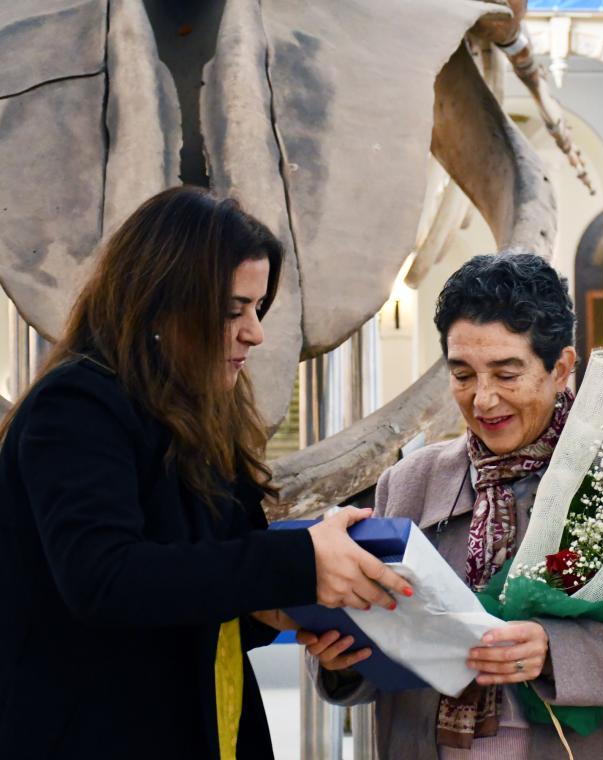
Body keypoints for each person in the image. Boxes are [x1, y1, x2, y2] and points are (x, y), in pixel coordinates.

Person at [0, 187, 412, 759]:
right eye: (232, 310)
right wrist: (297, 562)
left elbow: (198, 597)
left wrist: (285, 610)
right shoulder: (75, 406)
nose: (255, 333)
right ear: (160, 301)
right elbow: (105, 579)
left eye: (257, 308)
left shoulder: (194, 415)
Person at [304, 253, 603, 759]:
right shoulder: (408, 484)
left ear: (561, 368)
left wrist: (555, 652)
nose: (482, 400)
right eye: (463, 375)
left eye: (506, 374)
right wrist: (340, 661)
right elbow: (371, 637)